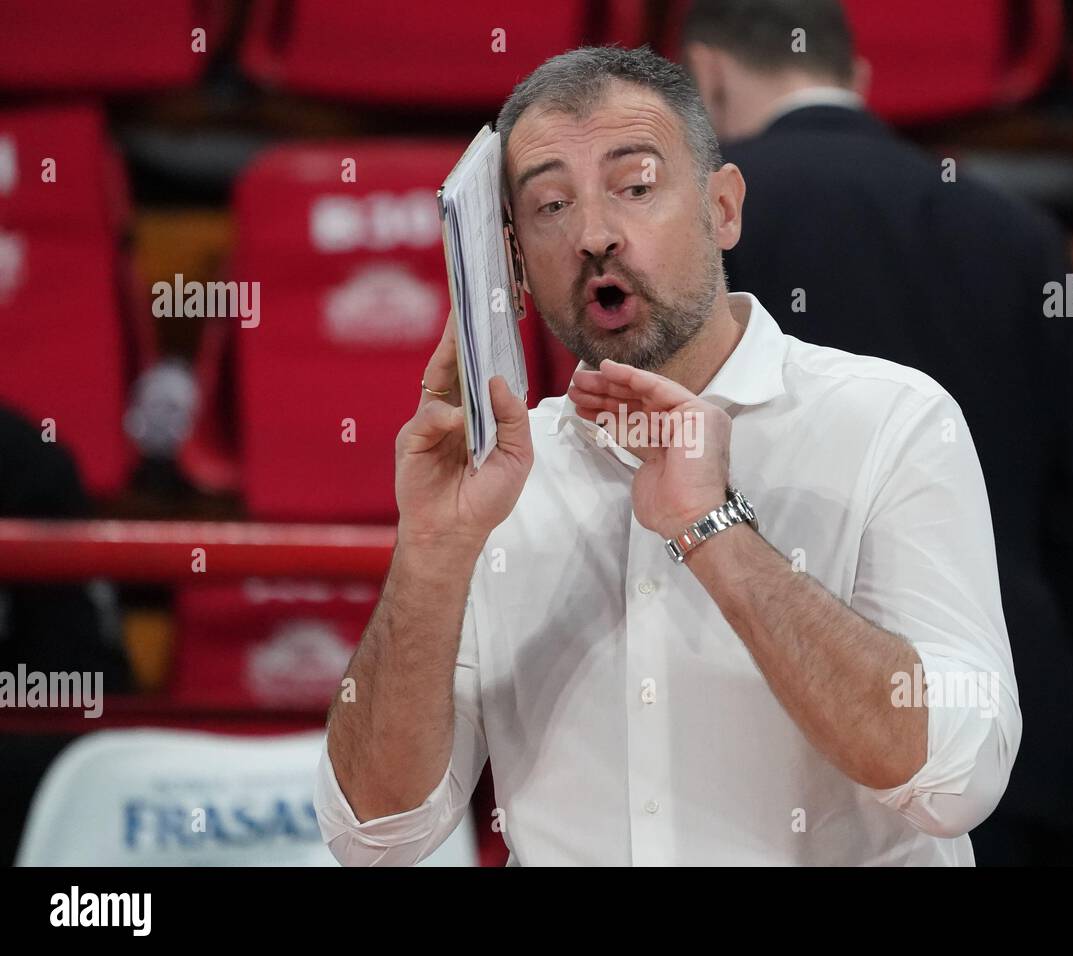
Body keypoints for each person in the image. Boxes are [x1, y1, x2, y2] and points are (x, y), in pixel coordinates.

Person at [314, 45, 1020, 866]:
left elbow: (959, 780)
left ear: (723, 208)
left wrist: (713, 528)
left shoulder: (892, 420)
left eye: (636, 186)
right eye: (549, 206)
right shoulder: (497, 479)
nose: (594, 236)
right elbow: (373, 837)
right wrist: (432, 555)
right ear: (512, 261)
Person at [680, 0, 1073, 863]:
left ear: (705, 73)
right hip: (1012, 743)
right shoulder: (1023, 231)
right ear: (857, 80)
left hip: (767, 743)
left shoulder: (692, 233)